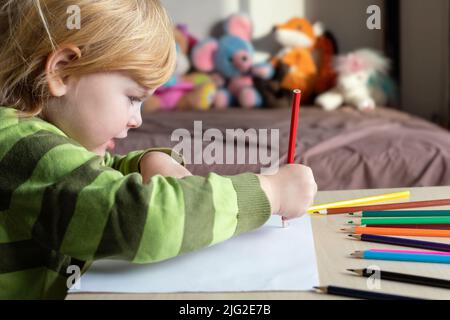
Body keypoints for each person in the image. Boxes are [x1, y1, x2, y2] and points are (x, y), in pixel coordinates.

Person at [0, 0, 317, 299]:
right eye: (133, 97)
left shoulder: (38, 136)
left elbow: (93, 177)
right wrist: (269, 192)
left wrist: (148, 161)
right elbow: (138, 218)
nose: (137, 119)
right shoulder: (20, 146)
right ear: (62, 71)